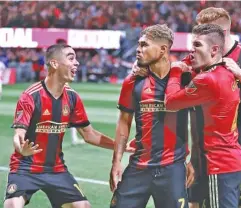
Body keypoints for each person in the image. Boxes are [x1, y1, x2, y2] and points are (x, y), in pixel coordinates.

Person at [3, 44, 126, 208]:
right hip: (25, 168)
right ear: (54, 64)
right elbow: (19, 134)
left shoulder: (73, 98)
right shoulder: (30, 96)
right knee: (12, 205)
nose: (76, 63)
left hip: (56, 169)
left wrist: (120, 146)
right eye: (71, 58)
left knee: (83, 207)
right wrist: (21, 148)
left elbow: (89, 134)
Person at [183, 8, 241, 208]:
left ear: (222, 33)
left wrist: (239, 73)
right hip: (201, 154)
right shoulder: (196, 58)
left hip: (238, 152)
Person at [109, 24, 194, 208]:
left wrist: (195, 159)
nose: (138, 50)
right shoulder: (132, 82)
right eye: (139, 45)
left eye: (144, 45)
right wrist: (116, 162)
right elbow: (124, 122)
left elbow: (201, 120)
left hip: (172, 169)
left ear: (163, 49)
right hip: (139, 167)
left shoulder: (185, 78)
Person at [165, 23, 241, 208]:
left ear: (215, 49)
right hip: (230, 158)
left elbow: (170, 102)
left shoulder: (207, 79)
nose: (191, 51)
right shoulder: (226, 72)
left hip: (219, 162)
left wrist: (175, 71)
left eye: (198, 45)